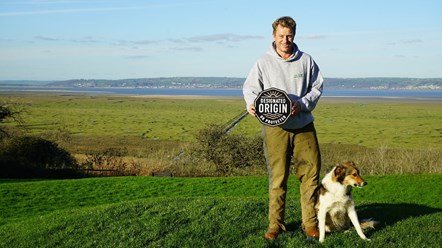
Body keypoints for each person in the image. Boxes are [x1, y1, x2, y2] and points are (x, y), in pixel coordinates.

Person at [243, 16, 324, 240]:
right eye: (281, 36)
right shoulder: (263, 62)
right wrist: (252, 104)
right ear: (274, 36)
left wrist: (303, 104)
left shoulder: (306, 61)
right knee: (278, 178)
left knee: (310, 175)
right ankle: (275, 226)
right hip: (274, 128)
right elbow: (250, 88)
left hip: (303, 125)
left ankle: (310, 224)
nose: (285, 40)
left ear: (294, 35)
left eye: (289, 36)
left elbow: (317, 88)